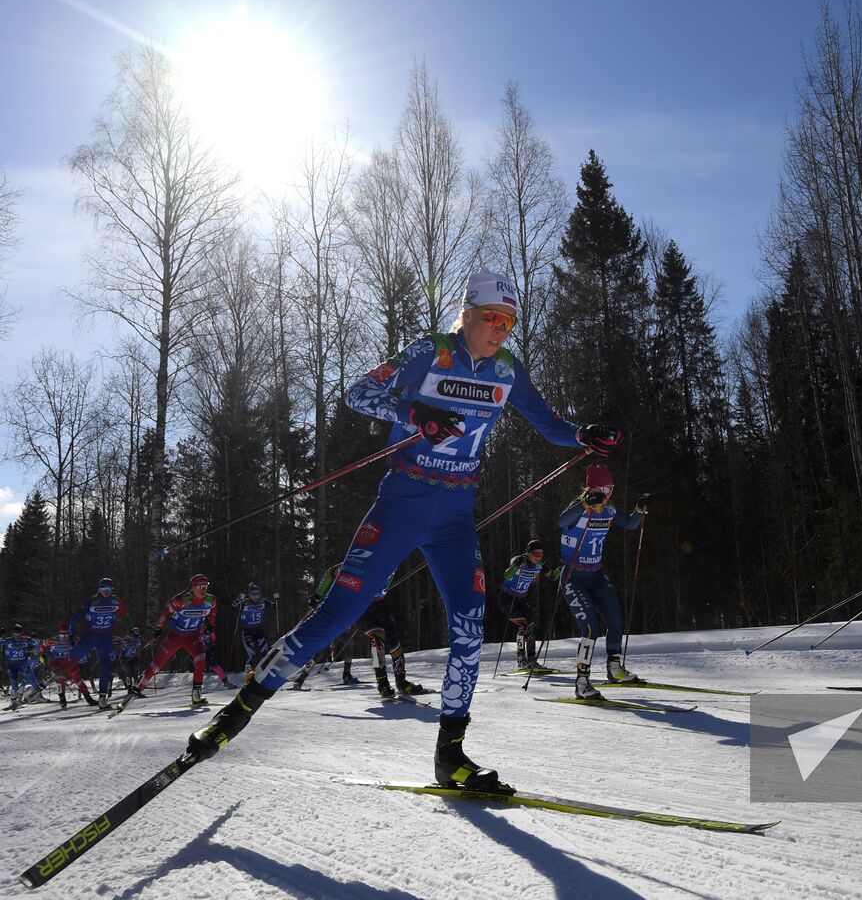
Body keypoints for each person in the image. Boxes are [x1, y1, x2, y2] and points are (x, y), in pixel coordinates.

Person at [188, 270, 620, 794]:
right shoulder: (431, 351)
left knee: (468, 627)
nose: (501, 330)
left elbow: (546, 421)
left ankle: (451, 756)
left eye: (509, 322)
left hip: (455, 513)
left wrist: (582, 435)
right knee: (338, 614)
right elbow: (359, 394)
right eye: (492, 318)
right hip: (403, 498)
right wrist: (415, 411)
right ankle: (234, 715)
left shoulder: (508, 369)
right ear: (468, 314)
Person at [558, 464, 650, 700]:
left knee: (616, 619)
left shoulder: (608, 509)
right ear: (590, 488)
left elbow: (629, 523)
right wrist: (585, 503)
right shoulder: (579, 507)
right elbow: (561, 521)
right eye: (602, 488)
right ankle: (582, 682)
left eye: (610, 488)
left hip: (596, 574)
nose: (607, 493)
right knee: (590, 629)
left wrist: (639, 510)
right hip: (573, 576)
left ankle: (614, 669)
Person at [130, 574, 218, 707]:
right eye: (200, 586)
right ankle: (137, 689)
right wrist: (159, 627)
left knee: (201, 658)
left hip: (193, 637)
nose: (203, 589)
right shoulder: (183, 600)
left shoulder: (210, 600)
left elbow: (214, 611)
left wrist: (211, 624)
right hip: (175, 637)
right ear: (193, 587)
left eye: (206, 586)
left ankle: (196, 694)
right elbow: (166, 612)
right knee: (156, 666)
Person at [69, 577, 131, 706]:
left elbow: (125, 616)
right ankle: (52, 677)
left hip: (106, 637)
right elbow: (75, 617)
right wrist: (71, 634)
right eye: (104, 589)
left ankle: (102, 696)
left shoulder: (116, 601)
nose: (106, 592)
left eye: (109, 589)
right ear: (99, 590)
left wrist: (131, 630)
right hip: (91, 635)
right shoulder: (92, 601)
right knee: (74, 657)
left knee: (105, 666)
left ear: (112, 590)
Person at [498, 538, 558, 671]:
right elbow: (507, 576)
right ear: (529, 553)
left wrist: (561, 570)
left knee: (531, 624)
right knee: (523, 623)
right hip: (508, 599)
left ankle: (532, 660)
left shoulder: (540, 564)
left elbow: (552, 576)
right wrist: (515, 566)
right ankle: (521, 659)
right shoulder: (520, 560)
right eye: (535, 554)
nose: (538, 557)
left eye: (541, 554)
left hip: (521, 600)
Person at [359, 585, 427, 699]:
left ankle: (401, 682)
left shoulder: (386, 568)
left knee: (395, 644)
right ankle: (382, 684)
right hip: (362, 612)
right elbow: (331, 576)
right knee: (377, 640)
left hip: (381, 609)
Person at [41, 624, 97, 708]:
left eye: (66, 635)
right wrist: (42, 656)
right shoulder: (52, 640)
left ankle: (88, 698)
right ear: (58, 634)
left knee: (78, 679)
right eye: (61, 635)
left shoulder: (72, 639)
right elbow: (42, 646)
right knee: (59, 681)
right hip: (56, 663)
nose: (64, 637)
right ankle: (62, 699)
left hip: (68, 663)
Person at [233, 584, 275, 684]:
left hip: (259, 631)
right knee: (251, 655)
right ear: (249, 594)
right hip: (247, 631)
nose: (255, 597)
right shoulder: (245, 602)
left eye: (257, 594)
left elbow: (274, 605)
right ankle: (248, 679)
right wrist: (239, 599)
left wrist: (276, 598)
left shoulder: (263, 601)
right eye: (253, 594)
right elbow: (233, 606)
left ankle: (266, 675)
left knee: (265, 653)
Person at [5, 625, 43, 709]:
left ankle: (36, 694)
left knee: (32, 680)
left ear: (22, 634)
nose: (18, 636)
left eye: (19, 634)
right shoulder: (9, 640)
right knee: (14, 684)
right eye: (16, 635)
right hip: (12, 665)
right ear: (13, 634)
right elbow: (1, 641)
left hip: (23, 664)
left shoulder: (26, 639)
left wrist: (33, 639)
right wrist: (2, 636)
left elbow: (36, 642)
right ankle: (14, 701)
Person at [116, 628, 145, 695]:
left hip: (134, 658)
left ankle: (137, 690)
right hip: (125, 658)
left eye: (138, 632)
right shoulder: (127, 638)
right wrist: (125, 642)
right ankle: (129, 689)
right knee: (128, 674)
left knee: (135, 674)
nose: (137, 634)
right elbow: (122, 645)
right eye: (135, 632)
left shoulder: (138, 639)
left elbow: (139, 646)